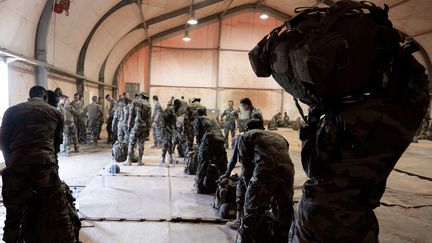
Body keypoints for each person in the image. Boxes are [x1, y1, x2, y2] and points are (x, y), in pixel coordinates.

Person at [0, 86, 77, 243]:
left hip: (16, 166)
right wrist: (52, 166)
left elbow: (3, 140)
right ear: (45, 97)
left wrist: (11, 161)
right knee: (60, 212)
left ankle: (10, 239)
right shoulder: (55, 112)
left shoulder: (11, 111)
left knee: (12, 216)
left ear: (29, 97)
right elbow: (57, 144)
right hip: (44, 167)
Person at [235, 119, 294, 243]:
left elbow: (246, 168)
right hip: (288, 171)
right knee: (284, 209)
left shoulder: (246, 136)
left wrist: (249, 193)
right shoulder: (279, 136)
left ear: (246, 128)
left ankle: (244, 239)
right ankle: (282, 238)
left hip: (265, 170)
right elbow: (281, 156)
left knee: (251, 209)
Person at [193, 108, 228, 194]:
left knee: (203, 163)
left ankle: (199, 187)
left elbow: (198, 136)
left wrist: (200, 149)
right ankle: (224, 186)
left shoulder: (198, 119)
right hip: (220, 140)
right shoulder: (213, 119)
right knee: (222, 165)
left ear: (197, 114)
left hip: (209, 139)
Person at [126, 92, 152, 166]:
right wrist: (148, 128)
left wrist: (128, 126)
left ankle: (129, 161)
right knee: (141, 144)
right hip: (143, 127)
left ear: (140, 96)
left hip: (135, 126)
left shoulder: (135, 102)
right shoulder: (148, 105)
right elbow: (149, 119)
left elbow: (131, 115)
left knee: (131, 143)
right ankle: (139, 161)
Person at [160, 100, 178, 166]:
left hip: (168, 127)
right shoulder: (171, 109)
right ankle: (162, 159)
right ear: (176, 105)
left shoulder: (172, 109)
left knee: (169, 142)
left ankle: (170, 158)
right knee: (166, 143)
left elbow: (173, 120)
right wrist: (167, 128)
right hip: (165, 128)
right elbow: (172, 119)